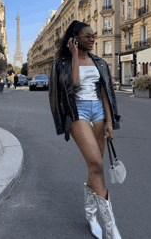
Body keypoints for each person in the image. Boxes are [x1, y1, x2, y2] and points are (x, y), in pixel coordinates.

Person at [49, 20, 122, 239]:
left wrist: (109, 122)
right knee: (97, 164)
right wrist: (73, 56)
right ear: (75, 38)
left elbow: (105, 93)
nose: (93, 39)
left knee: (94, 167)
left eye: (94, 35)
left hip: (99, 112)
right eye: (88, 36)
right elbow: (73, 84)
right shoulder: (62, 63)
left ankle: (91, 215)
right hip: (78, 111)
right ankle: (111, 228)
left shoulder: (99, 62)